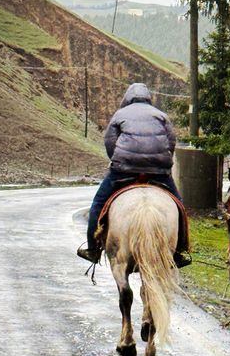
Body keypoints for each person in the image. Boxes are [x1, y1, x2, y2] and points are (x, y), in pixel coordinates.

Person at [77, 82, 182, 264]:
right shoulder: (161, 115)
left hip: (124, 169)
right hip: (158, 171)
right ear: (149, 98)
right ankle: (179, 250)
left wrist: (116, 160)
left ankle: (93, 249)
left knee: (98, 204)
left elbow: (110, 141)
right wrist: (164, 162)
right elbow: (171, 141)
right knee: (179, 206)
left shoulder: (120, 114)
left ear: (127, 98)